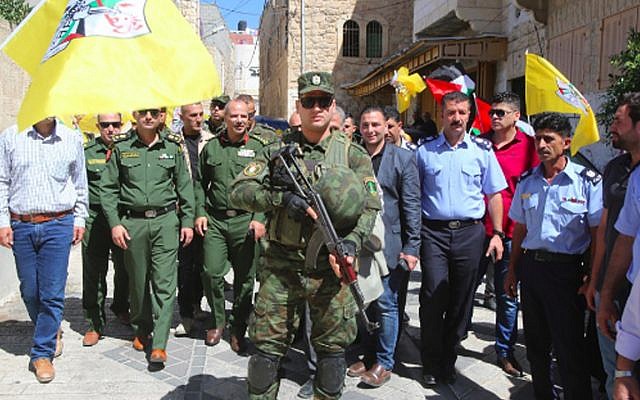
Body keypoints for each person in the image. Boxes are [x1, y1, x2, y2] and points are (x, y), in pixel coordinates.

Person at [230, 71, 380, 399]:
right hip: (281, 265)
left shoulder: (353, 154)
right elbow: (238, 191)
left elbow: (371, 206)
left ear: (332, 105)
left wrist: (352, 242)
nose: (317, 108)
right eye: (309, 101)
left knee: (331, 354)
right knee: (266, 353)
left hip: (330, 268)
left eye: (323, 101)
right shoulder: (276, 149)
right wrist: (280, 199)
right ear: (299, 104)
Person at [505, 112, 602, 400]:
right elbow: (519, 230)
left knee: (569, 345)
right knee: (536, 344)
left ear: (566, 142)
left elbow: (598, 237)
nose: (542, 144)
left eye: (549, 139)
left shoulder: (587, 180)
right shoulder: (527, 181)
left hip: (567, 273)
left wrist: (592, 280)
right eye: (538, 139)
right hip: (532, 269)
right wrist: (512, 271)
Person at [416, 91, 506, 386]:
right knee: (432, 295)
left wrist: (497, 234)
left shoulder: (482, 150)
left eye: (462, 113)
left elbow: (494, 194)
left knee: (461, 299)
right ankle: (430, 361)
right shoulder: (424, 151)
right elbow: (413, 195)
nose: (456, 118)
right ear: (442, 115)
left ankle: (448, 358)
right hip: (434, 233)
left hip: (470, 233)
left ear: (470, 116)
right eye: (451, 112)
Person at [100, 108, 195, 365]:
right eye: (144, 112)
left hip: (165, 222)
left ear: (162, 116)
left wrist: (187, 221)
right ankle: (142, 328)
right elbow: (107, 190)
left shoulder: (173, 148)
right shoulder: (122, 148)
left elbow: (185, 186)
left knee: (165, 283)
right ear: (135, 115)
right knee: (138, 282)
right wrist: (115, 224)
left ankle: (160, 343)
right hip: (133, 223)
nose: (149, 117)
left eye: (155, 112)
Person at [0, 117, 88, 383]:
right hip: (22, 224)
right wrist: (3, 222)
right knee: (30, 289)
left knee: (51, 293)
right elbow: (2, 181)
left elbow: (79, 182)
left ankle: (41, 353)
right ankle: (51, 330)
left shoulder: (72, 139)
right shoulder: (11, 136)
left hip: (58, 224)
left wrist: (80, 218)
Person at [347, 106, 421, 387]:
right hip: (361, 242)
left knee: (387, 304)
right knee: (363, 301)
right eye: (365, 125)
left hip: (390, 242)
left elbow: (412, 205)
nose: (370, 130)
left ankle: (384, 362)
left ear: (387, 127)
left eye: (375, 124)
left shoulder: (403, 159)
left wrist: (412, 246)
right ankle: (366, 355)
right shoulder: (353, 157)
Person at [194, 99, 269, 351]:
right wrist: (200, 212)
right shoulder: (212, 148)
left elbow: (266, 187)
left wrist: (259, 219)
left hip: (245, 221)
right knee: (212, 273)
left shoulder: (259, 148)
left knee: (245, 279)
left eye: (243, 117)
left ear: (249, 119)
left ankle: (238, 328)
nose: (239, 121)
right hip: (215, 220)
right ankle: (218, 322)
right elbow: (199, 184)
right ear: (224, 119)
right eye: (234, 116)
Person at [475, 92, 538, 376]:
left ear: (517, 116)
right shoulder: (478, 143)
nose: (495, 117)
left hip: (511, 233)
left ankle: (505, 351)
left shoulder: (531, 148)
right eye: (493, 113)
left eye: (501, 112)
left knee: (507, 294)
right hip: (475, 231)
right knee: (461, 291)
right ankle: (452, 338)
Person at [588, 92, 640, 397]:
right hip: (618, 288)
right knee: (617, 375)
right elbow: (612, 234)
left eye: (618, 121)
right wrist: (598, 286)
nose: (612, 128)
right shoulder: (618, 172)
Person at [81, 113, 130, 347]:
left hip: (122, 219)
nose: (111, 129)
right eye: (105, 125)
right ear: (98, 126)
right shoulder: (87, 152)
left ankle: (121, 305)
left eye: (115, 124)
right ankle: (94, 323)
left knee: (125, 269)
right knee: (94, 271)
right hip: (96, 218)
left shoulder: (129, 149)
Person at [174, 103, 215, 337]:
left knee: (204, 264)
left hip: (206, 211)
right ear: (182, 117)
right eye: (193, 116)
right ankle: (186, 314)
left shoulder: (210, 141)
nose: (198, 119)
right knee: (185, 266)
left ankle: (199, 306)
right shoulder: (173, 142)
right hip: (181, 213)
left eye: (201, 115)